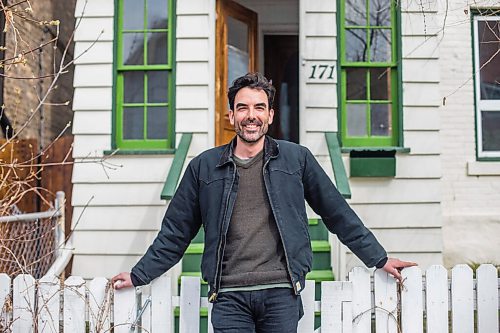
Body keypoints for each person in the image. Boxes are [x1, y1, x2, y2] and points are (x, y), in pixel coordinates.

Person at [112, 72, 416, 332]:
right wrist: (140, 274)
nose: (251, 115)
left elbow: (337, 213)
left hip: (281, 293)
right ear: (231, 115)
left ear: (270, 114)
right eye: (242, 108)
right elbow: (175, 233)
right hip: (228, 296)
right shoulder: (204, 168)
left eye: (259, 107)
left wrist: (379, 258)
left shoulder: (297, 160)